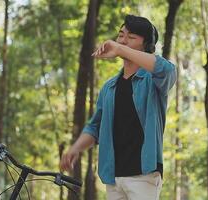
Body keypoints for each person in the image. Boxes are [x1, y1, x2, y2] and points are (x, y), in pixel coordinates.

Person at [60, 14, 176, 200]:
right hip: (113, 178)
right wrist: (75, 149)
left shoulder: (153, 81)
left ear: (146, 45)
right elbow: (95, 127)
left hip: (144, 175)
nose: (122, 41)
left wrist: (120, 48)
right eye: (121, 35)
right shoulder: (109, 88)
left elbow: (167, 69)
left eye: (131, 37)